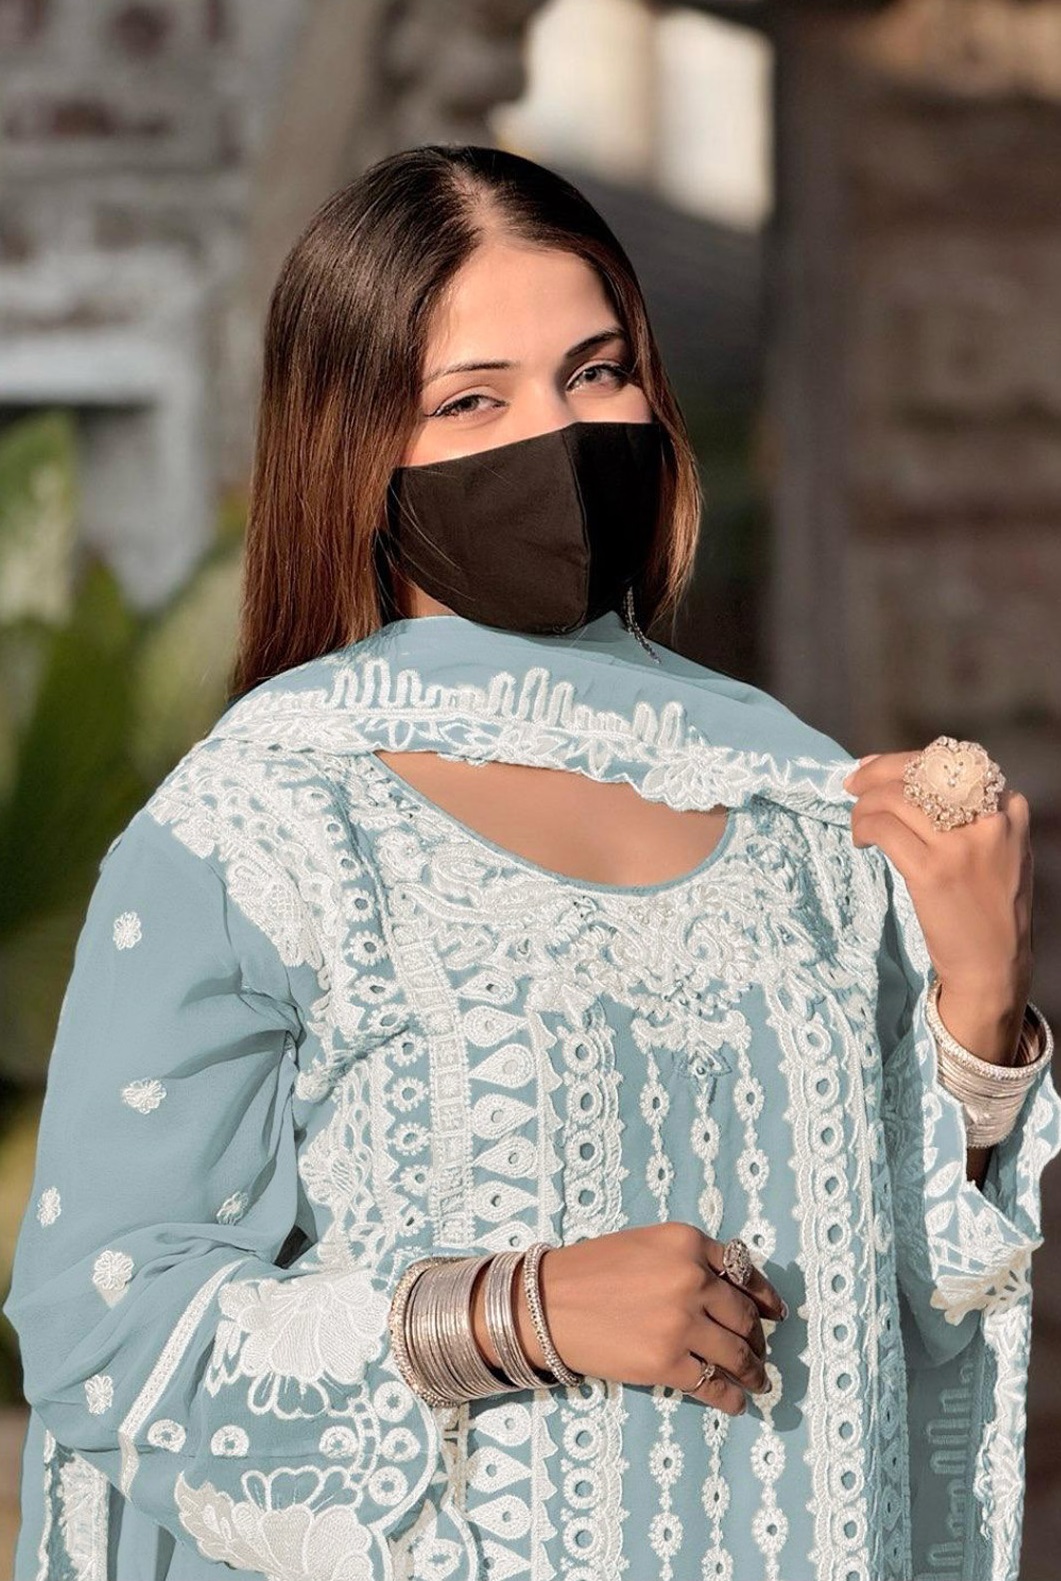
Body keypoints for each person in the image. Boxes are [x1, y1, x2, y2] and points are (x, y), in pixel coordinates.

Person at [4, 143, 1059, 1581]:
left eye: (594, 373)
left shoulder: (793, 799)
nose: (555, 437)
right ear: (354, 451)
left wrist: (980, 1003)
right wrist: (523, 1311)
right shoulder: (268, 824)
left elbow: (916, 1309)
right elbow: (104, 1324)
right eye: (471, 400)